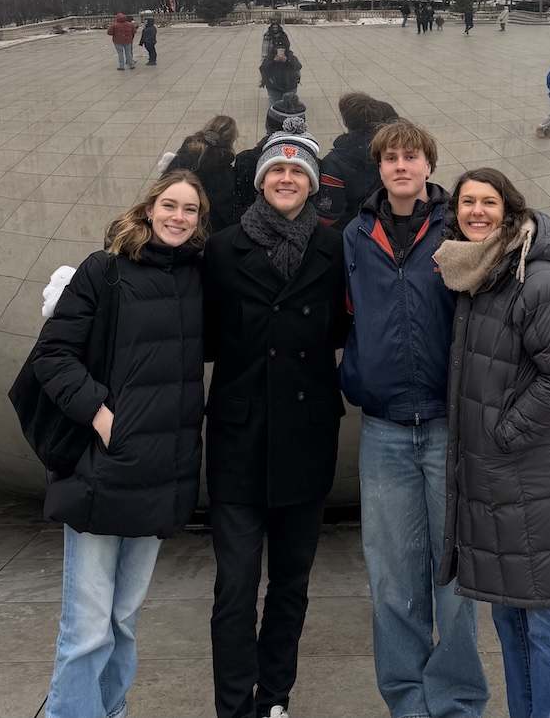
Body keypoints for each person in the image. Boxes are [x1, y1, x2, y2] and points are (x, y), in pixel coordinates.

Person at [34, 169, 208, 718]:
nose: (178, 217)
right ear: (149, 208)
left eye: (191, 210)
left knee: (123, 620)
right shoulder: (105, 270)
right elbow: (52, 354)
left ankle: (110, 711)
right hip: (103, 469)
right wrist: (100, 414)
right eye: (170, 205)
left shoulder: (198, 278)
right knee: (86, 626)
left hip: (163, 472)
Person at [340, 119, 489, 718]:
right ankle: (407, 700)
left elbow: (532, 250)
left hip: (450, 426)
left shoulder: (459, 226)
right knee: (393, 578)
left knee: (455, 577)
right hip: (384, 429)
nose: (401, 166)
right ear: (379, 168)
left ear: (429, 165)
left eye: (412, 157)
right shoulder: (355, 234)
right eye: (390, 158)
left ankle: (454, 701)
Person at [202, 117, 350, 718]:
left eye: (298, 171)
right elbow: (203, 335)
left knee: (291, 584)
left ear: (312, 184)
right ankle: (235, 707)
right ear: (261, 181)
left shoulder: (334, 247)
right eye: (277, 170)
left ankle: (275, 698)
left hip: (307, 436)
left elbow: (346, 327)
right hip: (239, 439)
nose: (287, 178)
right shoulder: (222, 248)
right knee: (235, 589)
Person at [434, 167, 550, 718]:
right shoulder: (479, 275)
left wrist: (504, 434)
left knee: (545, 621)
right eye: (467, 203)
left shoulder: (536, 277)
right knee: (508, 618)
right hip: (497, 482)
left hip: (530, 478)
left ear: (510, 209)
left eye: (489, 202)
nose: (476, 212)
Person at [314, 92, 398, 231]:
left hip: (351, 231)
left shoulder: (334, 162)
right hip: (387, 225)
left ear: (346, 121)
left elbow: (328, 214)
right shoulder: (393, 150)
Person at [233, 92, 308, 222]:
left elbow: (240, 201)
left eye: (296, 171)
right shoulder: (313, 166)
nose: (286, 179)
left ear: (268, 126)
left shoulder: (246, 160)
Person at [166, 115, 239, 233]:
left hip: (171, 219)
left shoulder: (183, 155)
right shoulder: (224, 172)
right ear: (230, 141)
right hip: (200, 230)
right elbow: (223, 212)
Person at [259, 25, 301, 104]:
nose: (280, 50)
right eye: (278, 48)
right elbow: (263, 68)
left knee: (289, 106)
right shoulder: (270, 57)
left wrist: (287, 60)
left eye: (282, 47)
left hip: (289, 86)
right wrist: (273, 61)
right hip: (274, 87)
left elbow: (298, 66)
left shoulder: (290, 56)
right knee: (277, 106)